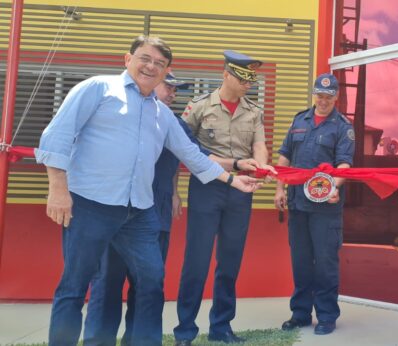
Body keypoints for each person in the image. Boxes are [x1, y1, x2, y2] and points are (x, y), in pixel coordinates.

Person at [35, 35, 260, 346]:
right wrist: (58, 189)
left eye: (160, 63)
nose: (152, 66)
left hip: (139, 212)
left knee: (152, 280)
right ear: (128, 59)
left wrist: (233, 180)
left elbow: (193, 156)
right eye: (146, 58)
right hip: (91, 206)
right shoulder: (98, 89)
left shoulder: (162, 114)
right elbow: (57, 135)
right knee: (75, 286)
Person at [83, 73, 265, 345]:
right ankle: (102, 341)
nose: (173, 94)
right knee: (108, 281)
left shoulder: (171, 121)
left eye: (175, 89)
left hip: (154, 211)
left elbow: (195, 154)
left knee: (148, 284)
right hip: (116, 208)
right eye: (169, 87)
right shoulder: (117, 112)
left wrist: (237, 170)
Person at [174, 50, 276, 345]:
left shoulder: (253, 111)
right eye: (243, 78)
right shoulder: (199, 107)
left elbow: (259, 144)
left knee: (230, 261)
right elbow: (182, 149)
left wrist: (261, 164)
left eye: (251, 79)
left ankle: (221, 327)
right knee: (196, 261)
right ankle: (185, 331)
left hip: (241, 190)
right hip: (206, 189)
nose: (249, 84)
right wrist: (175, 193)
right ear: (226, 75)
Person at [274, 73, 354, 336]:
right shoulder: (300, 120)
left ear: (336, 97)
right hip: (298, 205)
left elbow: (344, 165)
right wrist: (279, 189)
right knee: (300, 262)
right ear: (313, 94)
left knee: (326, 263)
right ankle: (300, 314)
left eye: (328, 96)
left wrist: (334, 187)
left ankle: (327, 316)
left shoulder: (342, 127)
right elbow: (284, 157)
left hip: (325, 209)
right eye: (319, 95)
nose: (323, 100)